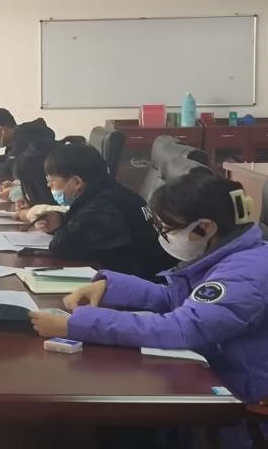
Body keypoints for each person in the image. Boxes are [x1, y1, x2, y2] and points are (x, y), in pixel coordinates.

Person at [30, 172, 268, 445]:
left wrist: (77, 325)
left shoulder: (244, 275)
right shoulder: (230, 256)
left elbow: (184, 328)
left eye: (168, 230)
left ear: (205, 227)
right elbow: (180, 300)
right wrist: (109, 285)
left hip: (243, 410)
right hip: (216, 382)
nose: (164, 238)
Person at [33, 143, 176, 279]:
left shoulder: (103, 206)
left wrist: (64, 226)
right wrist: (61, 220)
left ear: (76, 182)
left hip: (144, 281)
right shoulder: (113, 192)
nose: (49, 186)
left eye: (51, 182)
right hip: (141, 273)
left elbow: (62, 246)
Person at [0, 108, 56, 180]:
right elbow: (9, 158)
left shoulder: (25, 140)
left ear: (1, 129)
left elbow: (7, 169)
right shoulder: (20, 134)